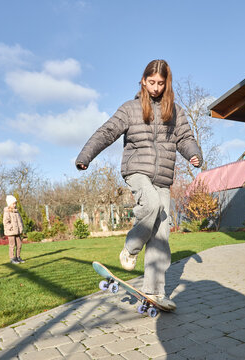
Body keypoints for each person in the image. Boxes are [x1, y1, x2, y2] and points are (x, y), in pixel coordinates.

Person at [75, 59, 202, 311]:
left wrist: (194, 153)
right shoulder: (130, 108)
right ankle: (131, 249)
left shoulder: (175, 112)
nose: (155, 88)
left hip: (163, 178)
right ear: (143, 80)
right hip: (136, 171)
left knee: (161, 235)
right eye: (151, 82)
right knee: (151, 205)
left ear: (167, 84)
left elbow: (185, 138)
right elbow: (107, 132)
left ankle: (154, 291)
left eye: (160, 83)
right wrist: (85, 156)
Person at [3, 195, 25, 265]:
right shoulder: (7, 212)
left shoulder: (16, 212)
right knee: (12, 245)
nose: (14, 205)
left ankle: (18, 257)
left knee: (19, 244)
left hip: (17, 231)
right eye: (13, 203)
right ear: (9, 204)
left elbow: (20, 221)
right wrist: (11, 227)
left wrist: (21, 228)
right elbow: (6, 222)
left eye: (15, 203)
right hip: (11, 232)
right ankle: (12, 258)